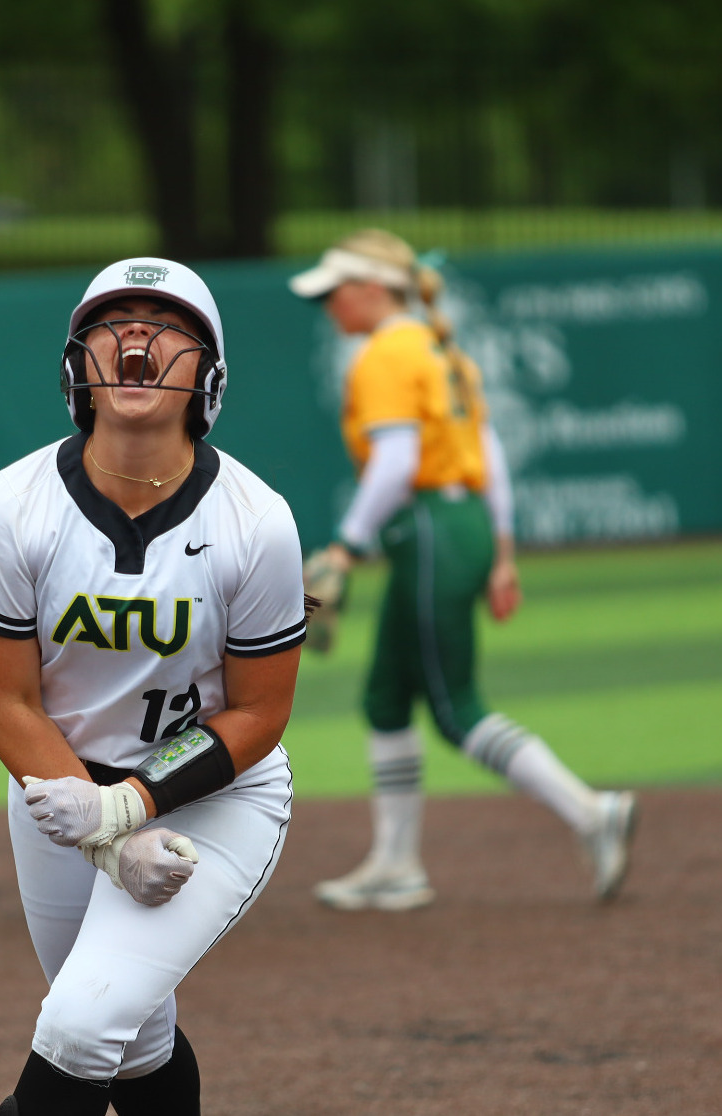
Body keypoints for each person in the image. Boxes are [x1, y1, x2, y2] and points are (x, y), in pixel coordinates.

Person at [0, 257, 306, 1115]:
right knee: (133, 1040)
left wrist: (129, 810)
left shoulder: (257, 523)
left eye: (166, 322)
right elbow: (7, 699)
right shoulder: (16, 502)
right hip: (58, 794)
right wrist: (99, 826)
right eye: (116, 321)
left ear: (207, 373)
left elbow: (257, 712)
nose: (138, 337)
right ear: (78, 362)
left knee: (80, 1025)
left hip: (213, 799)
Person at [289, 229, 636, 910]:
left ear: (368, 290)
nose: (327, 305)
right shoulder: (436, 348)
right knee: (386, 700)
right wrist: (501, 550)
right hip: (460, 526)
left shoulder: (384, 353)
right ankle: (395, 864)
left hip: (426, 530)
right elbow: (491, 454)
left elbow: (394, 463)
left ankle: (591, 812)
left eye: (333, 291)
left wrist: (345, 546)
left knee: (455, 709)